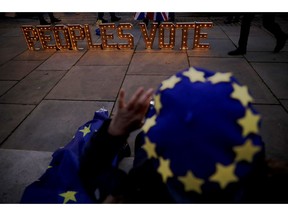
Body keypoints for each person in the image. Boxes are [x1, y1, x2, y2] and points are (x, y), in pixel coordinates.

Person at [21, 67, 288, 203]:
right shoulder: (271, 187)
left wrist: (115, 132)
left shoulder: (145, 187)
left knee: (140, 141)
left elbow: (92, 172)